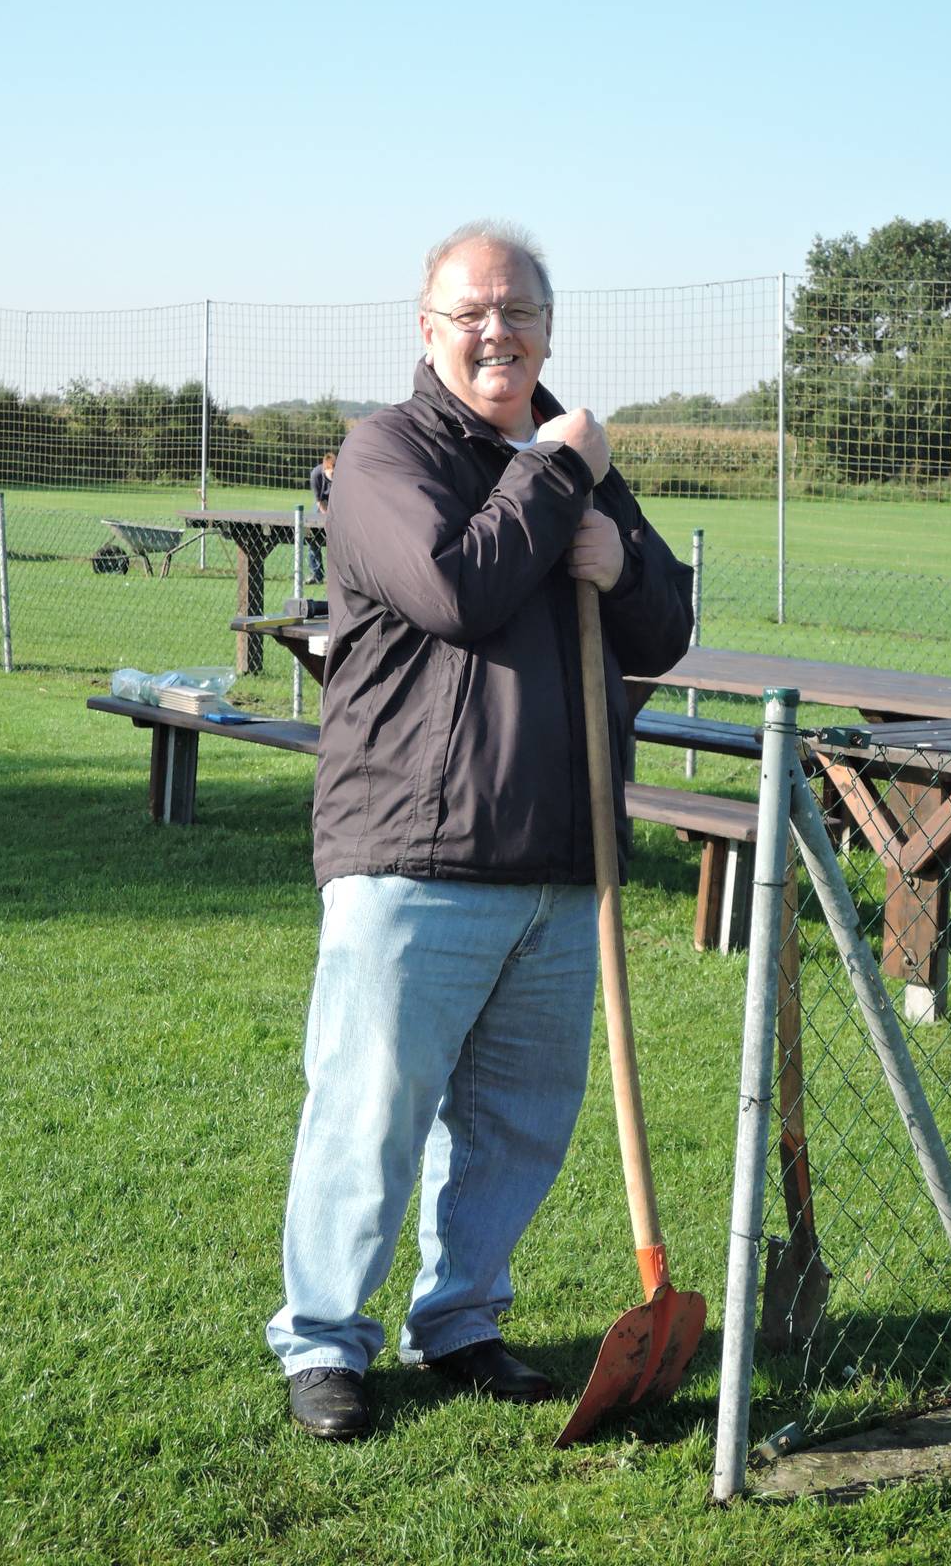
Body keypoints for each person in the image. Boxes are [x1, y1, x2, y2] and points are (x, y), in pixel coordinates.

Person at [265, 220, 694, 1440]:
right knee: (370, 1110)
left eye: (519, 311)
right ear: (429, 329)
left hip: (562, 857)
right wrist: (559, 477)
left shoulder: (575, 459)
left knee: (515, 1123)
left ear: (549, 328)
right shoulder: (385, 455)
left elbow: (666, 629)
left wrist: (618, 565)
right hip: (417, 850)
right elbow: (458, 589)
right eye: (472, 312)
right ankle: (323, 1340)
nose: (497, 331)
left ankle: (459, 1319)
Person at [306, 451, 335, 584]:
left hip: (338, 505)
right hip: (322, 504)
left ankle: (338, 576)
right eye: (331, 473)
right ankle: (316, 574)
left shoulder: (343, 474)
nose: (333, 475)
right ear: (325, 469)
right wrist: (326, 517)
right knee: (312, 538)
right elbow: (319, 500)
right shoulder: (316, 474)